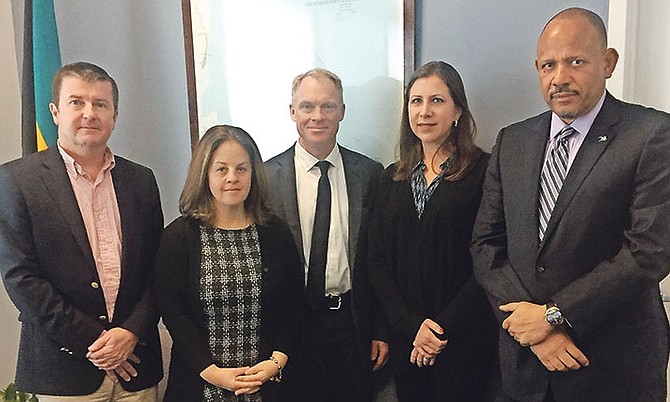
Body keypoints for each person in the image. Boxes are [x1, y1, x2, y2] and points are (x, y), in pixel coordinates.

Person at [471, 7, 670, 402]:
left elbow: (649, 251)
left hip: (610, 368)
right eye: (548, 65)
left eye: (575, 61)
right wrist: (531, 331)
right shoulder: (513, 141)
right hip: (525, 368)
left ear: (608, 62)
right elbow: (485, 245)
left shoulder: (651, 134)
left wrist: (553, 315)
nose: (559, 77)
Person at [0, 62, 164, 401]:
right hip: (62, 369)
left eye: (100, 104)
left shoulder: (141, 180)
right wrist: (97, 342)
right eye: (77, 102)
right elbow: (21, 277)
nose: (89, 113)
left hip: (136, 366)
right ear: (55, 112)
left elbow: (158, 269)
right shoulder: (16, 181)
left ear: (114, 115)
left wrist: (130, 333)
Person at [367, 61, 497, 402]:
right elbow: (377, 260)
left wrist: (438, 330)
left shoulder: (484, 172)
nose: (424, 111)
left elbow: (489, 259)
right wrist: (413, 328)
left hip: (463, 340)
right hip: (407, 343)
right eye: (416, 101)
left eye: (436, 100)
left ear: (457, 111)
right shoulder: (390, 177)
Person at [264, 68, 388, 402]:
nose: (317, 116)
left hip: (351, 324)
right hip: (292, 326)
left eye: (328, 106)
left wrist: (379, 328)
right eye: (307, 106)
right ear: (292, 111)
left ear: (342, 111)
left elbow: (379, 259)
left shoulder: (370, 175)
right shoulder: (264, 178)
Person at [155, 124, 303, 402]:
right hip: (199, 384)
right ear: (205, 174)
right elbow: (173, 312)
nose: (232, 178)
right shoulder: (179, 236)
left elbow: (294, 303)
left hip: (268, 385)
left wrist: (275, 363)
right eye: (221, 169)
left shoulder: (275, 232)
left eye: (241, 169)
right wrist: (212, 372)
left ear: (253, 173)